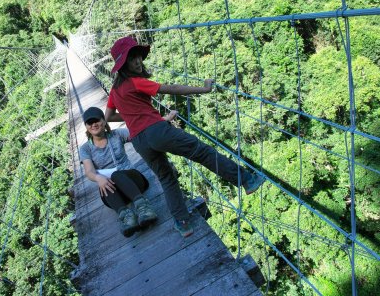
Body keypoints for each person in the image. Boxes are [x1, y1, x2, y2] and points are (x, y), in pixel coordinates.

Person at [104, 36, 266, 238]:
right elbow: (171, 89)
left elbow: (108, 117)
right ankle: (246, 180)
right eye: (131, 59)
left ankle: (182, 223)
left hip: (139, 142)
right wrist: (204, 89)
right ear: (122, 65)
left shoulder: (115, 90)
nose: (137, 62)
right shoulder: (137, 82)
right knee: (203, 153)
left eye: (138, 57)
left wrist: (130, 117)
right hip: (158, 131)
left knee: (166, 178)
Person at [78, 106, 158, 237]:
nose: (94, 125)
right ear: (86, 126)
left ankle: (144, 209)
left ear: (104, 121)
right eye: (89, 123)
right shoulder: (85, 149)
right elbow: (89, 171)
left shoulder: (117, 134)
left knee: (116, 175)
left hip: (133, 182)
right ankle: (127, 218)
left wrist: (160, 122)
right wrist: (99, 179)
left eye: (96, 120)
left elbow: (139, 133)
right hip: (116, 194)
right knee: (104, 185)